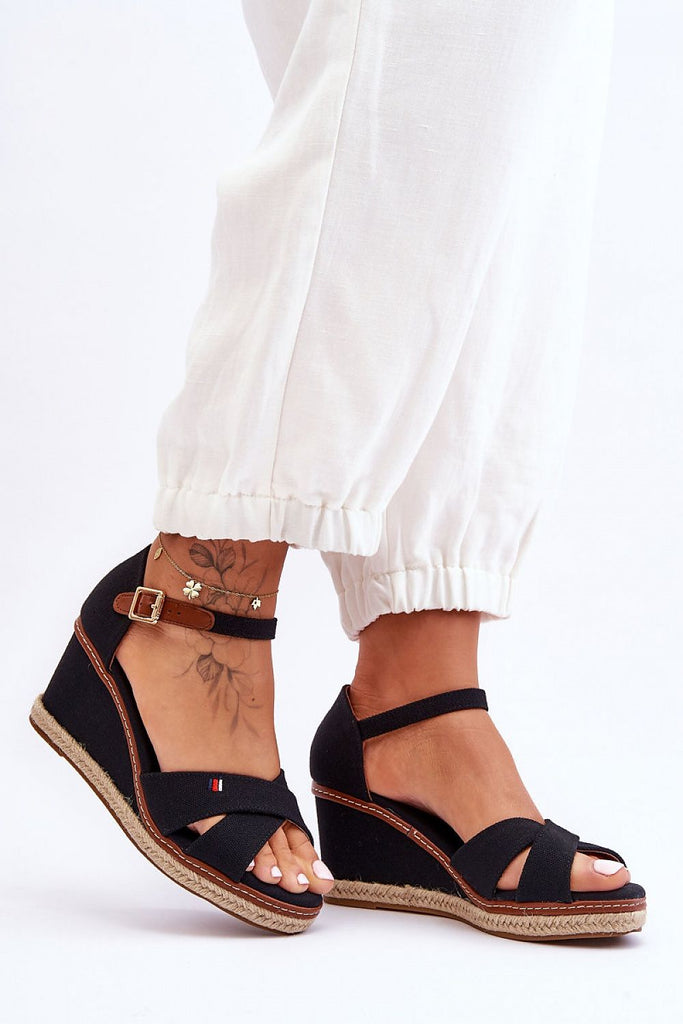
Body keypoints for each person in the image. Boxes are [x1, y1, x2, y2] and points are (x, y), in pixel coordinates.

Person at [30, 0, 646, 939]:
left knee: (506, 105)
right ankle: (198, 608)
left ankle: (417, 688)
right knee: (431, 52)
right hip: (193, 604)